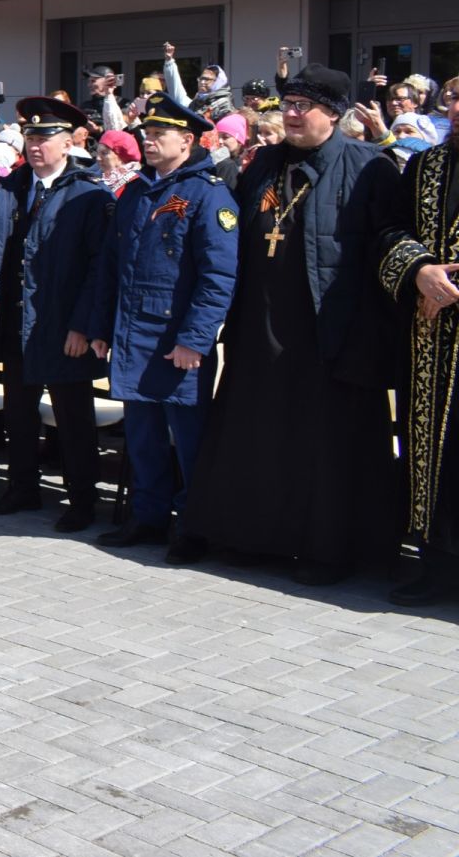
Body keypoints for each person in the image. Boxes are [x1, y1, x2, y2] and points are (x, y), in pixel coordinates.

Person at [186, 66, 405, 581]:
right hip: (261, 328)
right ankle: (252, 538)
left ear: (333, 112)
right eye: (287, 104)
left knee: (324, 449)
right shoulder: (262, 164)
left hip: (330, 333)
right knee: (258, 436)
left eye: (303, 105)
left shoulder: (370, 167)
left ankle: (326, 551)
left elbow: (386, 246)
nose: (290, 114)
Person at [88, 92, 240, 555]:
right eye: (146, 135)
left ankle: (194, 526)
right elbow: (111, 266)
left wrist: (195, 340)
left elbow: (219, 276)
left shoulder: (207, 193)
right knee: (143, 438)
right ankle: (148, 518)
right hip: (134, 335)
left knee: (189, 441)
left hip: (177, 341)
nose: (149, 142)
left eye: (159, 135)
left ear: (188, 141)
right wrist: (99, 325)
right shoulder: (136, 191)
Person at [0, 98, 116, 531]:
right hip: (17, 321)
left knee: (73, 418)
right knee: (18, 411)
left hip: (62, 325)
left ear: (69, 144)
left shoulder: (89, 195)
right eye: (30, 137)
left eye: (46, 138)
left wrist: (83, 326)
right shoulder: (13, 187)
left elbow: (98, 270)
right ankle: (21, 488)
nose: (36, 146)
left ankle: (83, 501)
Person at [378, 74, 459, 604]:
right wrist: (422, 270)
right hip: (431, 341)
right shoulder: (427, 166)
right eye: (456, 99)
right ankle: (437, 562)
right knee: (433, 452)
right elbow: (389, 230)